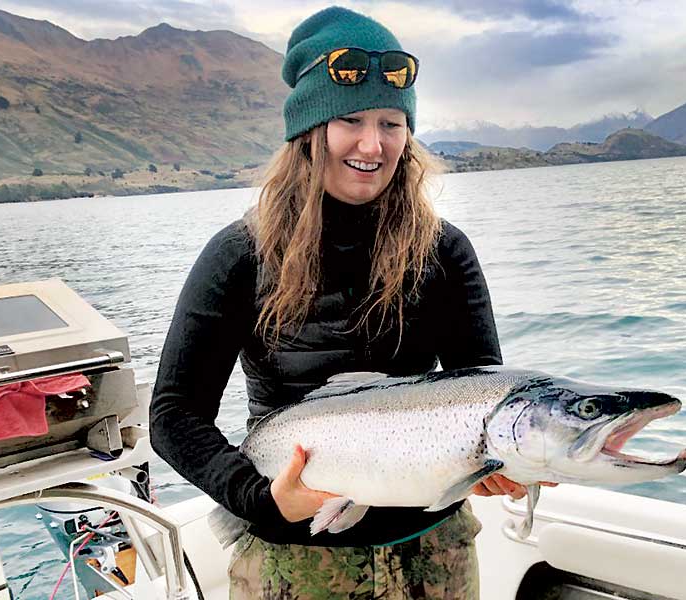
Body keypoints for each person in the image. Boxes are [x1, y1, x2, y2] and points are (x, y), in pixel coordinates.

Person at [150, 6, 545, 598]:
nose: (373, 143)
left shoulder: (445, 252)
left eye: (392, 122)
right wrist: (260, 497)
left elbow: (483, 388)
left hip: (434, 553)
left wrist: (503, 467)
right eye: (352, 119)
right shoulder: (240, 254)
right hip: (296, 565)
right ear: (309, 131)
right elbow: (174, 414)